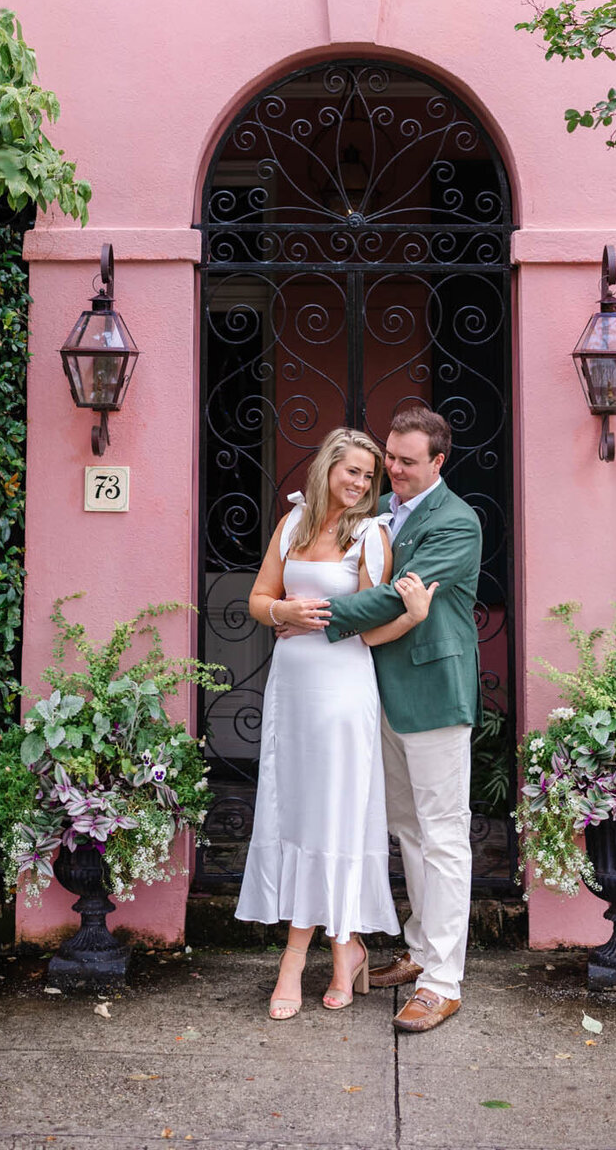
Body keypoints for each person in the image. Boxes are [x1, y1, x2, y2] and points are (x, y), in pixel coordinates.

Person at [275, 407, 481, 1034]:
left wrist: (308, 611)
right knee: (407, 828)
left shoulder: (458, 522)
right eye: (390, 456)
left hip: (434, 696)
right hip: (378, 693)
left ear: (438, 463)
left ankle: (443, 983)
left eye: (406, 461)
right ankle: (419, 953)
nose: (392, 469)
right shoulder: (386, 518)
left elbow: (399, 594)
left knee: (443, 834)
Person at [235, 427, 437, 1019]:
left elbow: (372, 626)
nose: (361, 484)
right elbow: (257, 599)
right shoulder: (293, 524)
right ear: (327, 467)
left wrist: (412, 617)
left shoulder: (371, 535)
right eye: (352, 471)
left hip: (344, 689)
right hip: (293, 688)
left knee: (336, 815)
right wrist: (283, 610)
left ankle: (296, 960)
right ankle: (345, 948)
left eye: (369, 477)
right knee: (296, 809)